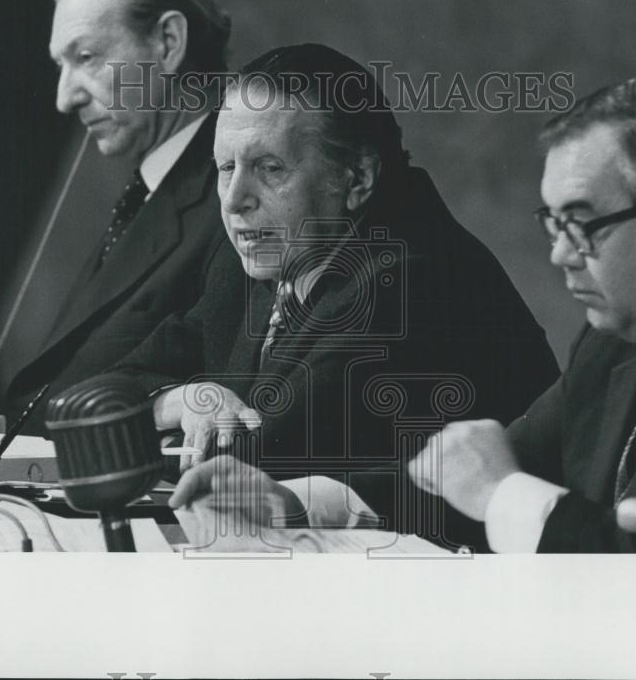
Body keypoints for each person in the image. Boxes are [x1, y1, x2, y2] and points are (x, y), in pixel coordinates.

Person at [173, 74, 636, 555]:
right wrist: (303, 501)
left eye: (582, 226)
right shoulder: (623, 337)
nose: (559, 254)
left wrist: (505, 496)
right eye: (552, 224)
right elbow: (489, 467)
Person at [100, 43, 560, 545]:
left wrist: (160, 424)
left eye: (270, 168)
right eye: (226, 168)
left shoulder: (412, 277)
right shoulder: (261, 262)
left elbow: (246, 469)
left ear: (357, 179)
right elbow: (96, 391)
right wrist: (180, 400)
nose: (234, 201)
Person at [0, 0, 230, 432]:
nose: (65, 98)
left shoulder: (235, 201)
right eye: (62, 65)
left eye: (86, 57)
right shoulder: (149, 192)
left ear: (168, 41)